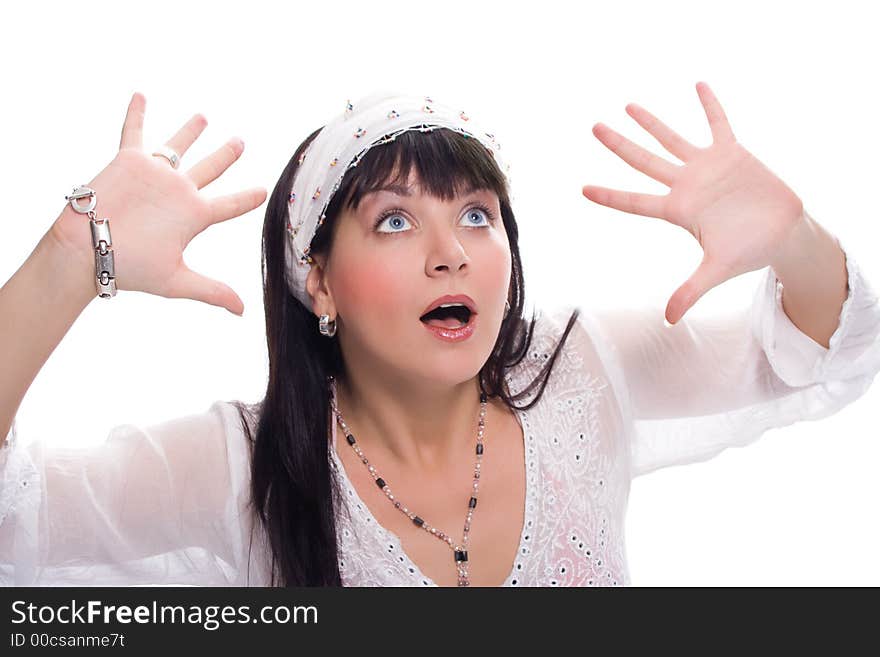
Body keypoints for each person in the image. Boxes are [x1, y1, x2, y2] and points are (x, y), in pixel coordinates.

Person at [1, 83, 878, 587]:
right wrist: (68, 258)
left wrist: (793, 241)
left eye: (476, 214)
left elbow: (814, 352)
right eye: (393, 222)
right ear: (318, 281)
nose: (449, 253)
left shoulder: (583, 367)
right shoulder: (239, 461)